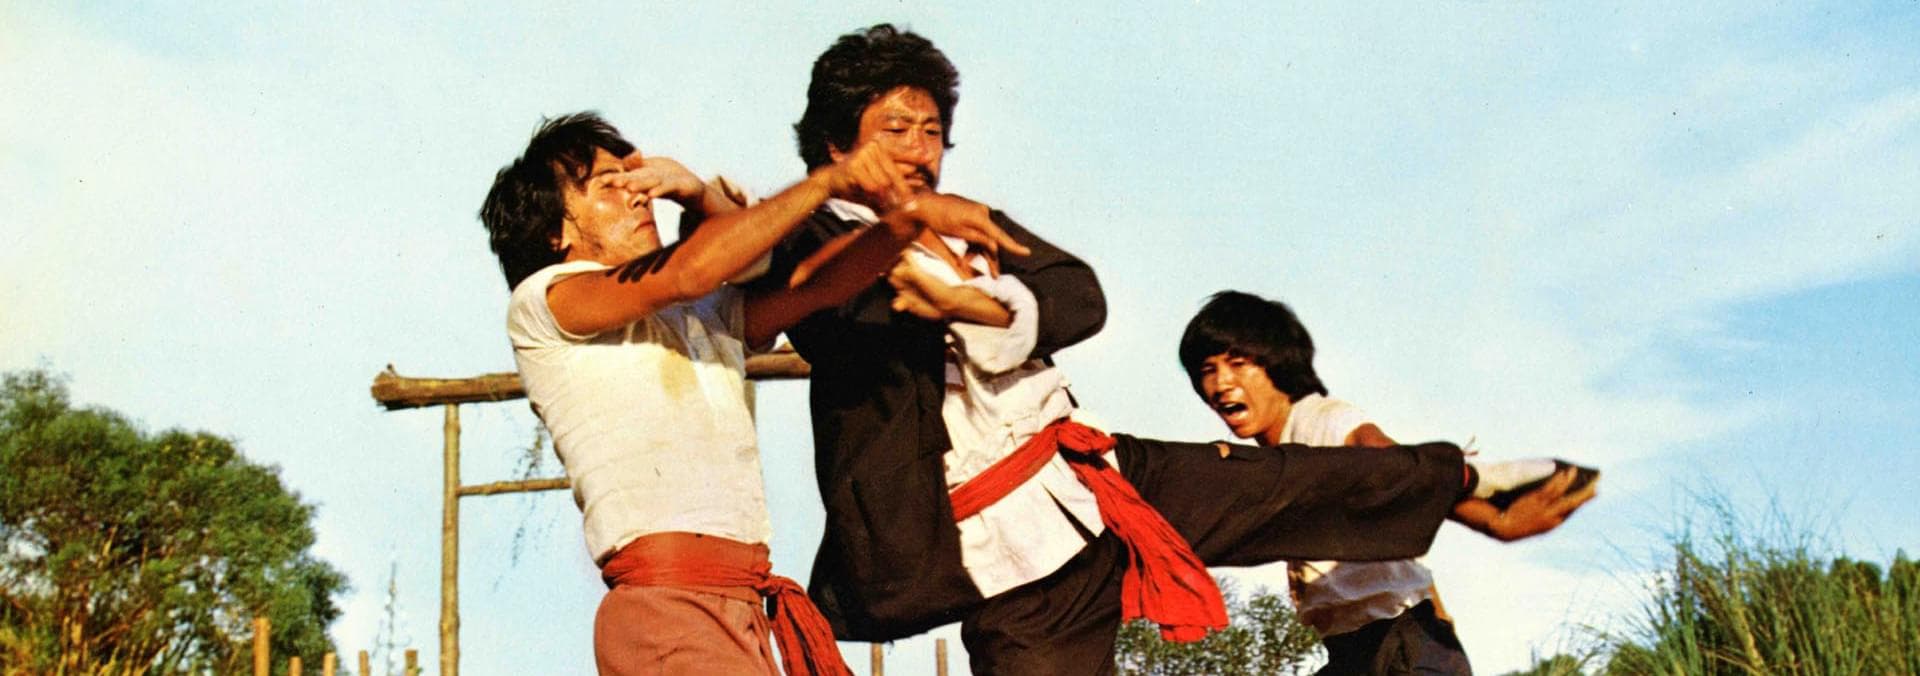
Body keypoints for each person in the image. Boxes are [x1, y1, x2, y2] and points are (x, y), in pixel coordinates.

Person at [755, 24, 1598, 675]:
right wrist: (911, 260)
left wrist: (976, 281)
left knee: (1280, 479)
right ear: (837, 143)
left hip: (1091, 477)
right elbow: (837, 312)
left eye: (933, 130)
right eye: (895, 129)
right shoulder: (812, 237)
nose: (919, 151)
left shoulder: (968, 223)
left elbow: (1079, 294)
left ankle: (1467, 485)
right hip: (999, 547)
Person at [478, 112, 1021, 675]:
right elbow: (691, 269)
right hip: (668, 609)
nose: (638, 195)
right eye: (609, 186)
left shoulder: (697, 312)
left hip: (741, 606)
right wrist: (827, 182)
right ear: (556, 232)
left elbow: (816, 286)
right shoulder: (545, 302)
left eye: (634, 179)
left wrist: (906, 223)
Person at [1180, 291, 1596, 675]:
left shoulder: (1319, 418)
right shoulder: (1278, 460)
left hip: (1401, 641)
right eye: (1207, 370)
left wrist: (1492, 518)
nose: (1221, 384)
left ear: (1278, 365)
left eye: (1238, 364)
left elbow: (1387, 459)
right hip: (1355, 649)